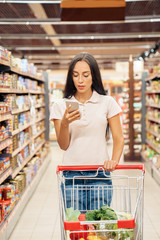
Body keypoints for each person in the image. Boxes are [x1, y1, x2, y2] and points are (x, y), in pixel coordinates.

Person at [50, 52, 124, 212]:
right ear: (71, 77)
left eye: (85, 75)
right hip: (71, 175)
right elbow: (63, 145)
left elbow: (119, 138)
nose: (80, 80)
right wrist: (65, 123)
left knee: (97, 228)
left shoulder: (107, 103)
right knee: (77, 230)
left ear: (94, 76)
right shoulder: (60, 105)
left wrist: (114, 160)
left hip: (99, 174)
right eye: (76, 75)